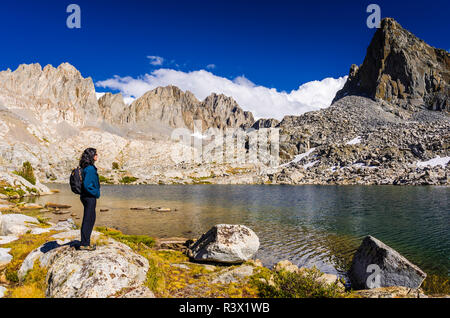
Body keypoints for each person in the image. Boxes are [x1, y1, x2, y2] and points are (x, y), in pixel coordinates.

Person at [78, 148, 100, 251]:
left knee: (90, 218)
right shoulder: (90, 168)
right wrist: (96, 192)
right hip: (89, 197)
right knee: (89, 219)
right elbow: (87, 185)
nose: (97, 156)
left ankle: (85, 241)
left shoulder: (86, 167)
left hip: (85, 196)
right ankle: (85, 244)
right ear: (91, 156)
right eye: (95, 154)